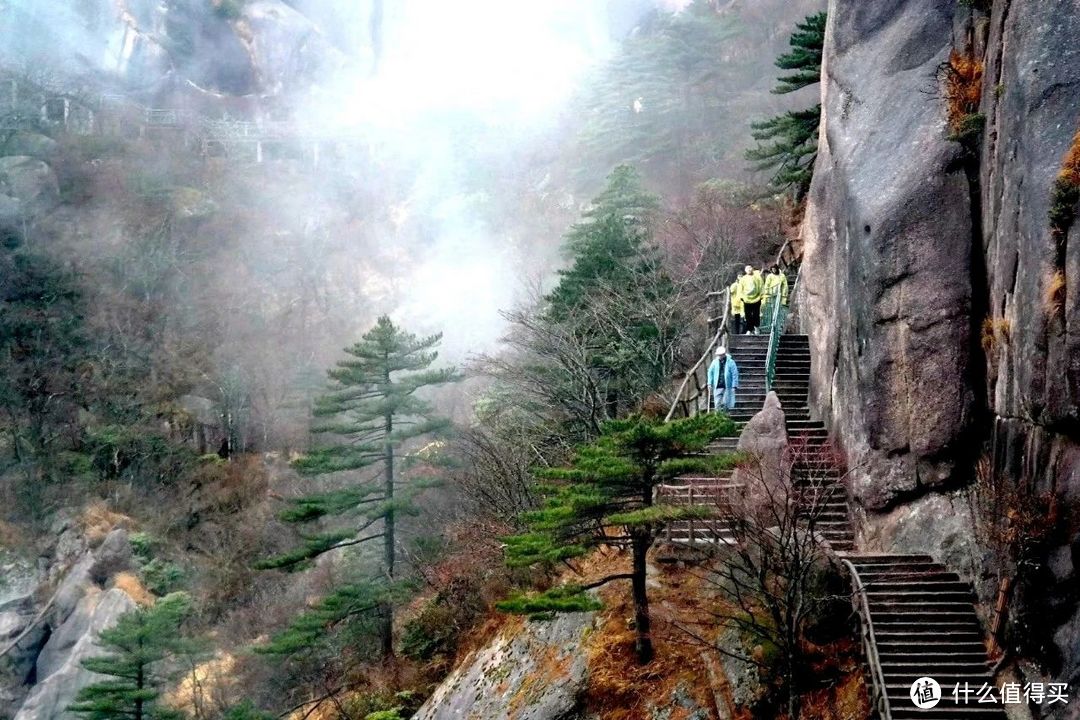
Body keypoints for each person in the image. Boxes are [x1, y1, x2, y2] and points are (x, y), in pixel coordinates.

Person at [706, 346, 739, 413]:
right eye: (718, 355)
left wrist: (734, 385)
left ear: (724, 354)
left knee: (725, 403)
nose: (719, 356)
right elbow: (710, 372)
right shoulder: (715, 362)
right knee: (717, 403)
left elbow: (734, 374)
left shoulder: (731, 362)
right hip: (717, 385)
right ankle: (717, 418)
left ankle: (725, 416)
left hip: (727, 386)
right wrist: (709, 383)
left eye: (720, 355)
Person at [738, 264, 764, 334]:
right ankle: (749, 329)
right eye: (747, 268)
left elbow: (761, 286)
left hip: (757, 299)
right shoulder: (743, 279)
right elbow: (740, 289)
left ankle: (756, 327)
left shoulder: (758, 277)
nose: (749, 269)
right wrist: (741, 297)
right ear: (745, 270)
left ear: (752, 269)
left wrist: (761, 295)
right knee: (748, 315)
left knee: (756, 314)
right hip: (746, 300)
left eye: (750, 268)